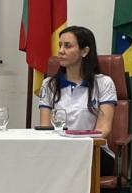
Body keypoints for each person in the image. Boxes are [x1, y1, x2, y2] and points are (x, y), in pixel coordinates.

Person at [37, 26, 118, 174]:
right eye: (60, 45)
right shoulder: (49, 84)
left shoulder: (104, 83)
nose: (60, 51)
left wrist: (76, 144)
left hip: (93, 151)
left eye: (67, 46)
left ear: (85, 51)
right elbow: (45, 128)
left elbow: (103, 129)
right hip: (58, 151)